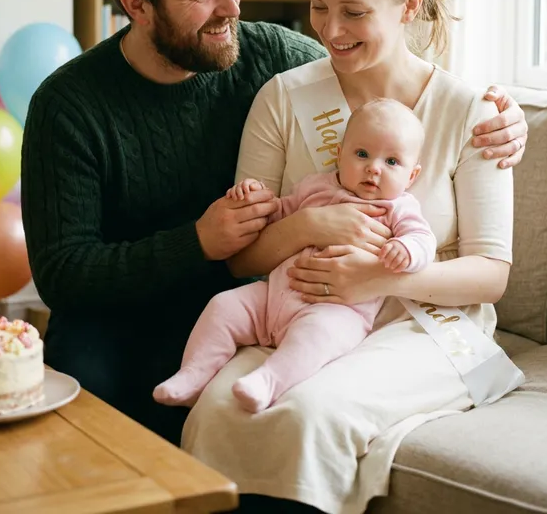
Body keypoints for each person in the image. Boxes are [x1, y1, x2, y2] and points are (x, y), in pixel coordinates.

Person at [21, 0, 527, 453]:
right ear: (137, 4)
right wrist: (197, 243)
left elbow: (379, 76)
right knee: (103, 436)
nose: (233, 7)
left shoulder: (263, 54)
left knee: (262, 408)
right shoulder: (69, 105)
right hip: (128, 319)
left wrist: (505, 117)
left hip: (271, 307)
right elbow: (63, 275)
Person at [180, 0, 523, 514]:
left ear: (411, 5)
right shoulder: (283, 97)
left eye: (354, 12)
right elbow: (240, 264)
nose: (330, 29)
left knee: (311, 413)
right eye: (318, 6)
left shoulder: (474, 113)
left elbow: (491, 275)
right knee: (219, 407)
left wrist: (381, 274)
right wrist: (309, 225)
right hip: (301, 313)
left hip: (424, 326)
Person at [152, 98, 435, 415]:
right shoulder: (314, 187)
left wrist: (407, 250)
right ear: (339, 155)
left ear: (412, 176)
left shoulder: (397, 207)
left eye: (392, 162)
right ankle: (193, 375)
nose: (374, 168)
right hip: (271, 297)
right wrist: (254, 196)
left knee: (316, 336)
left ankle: (268, 382)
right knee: (223, 306)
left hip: (336, 310)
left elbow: (423, 238)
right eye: (362, 154)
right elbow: (277, 216)